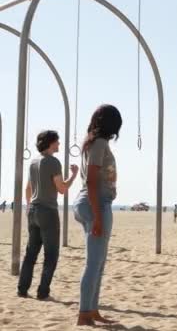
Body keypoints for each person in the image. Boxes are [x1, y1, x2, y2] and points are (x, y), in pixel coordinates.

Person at [73, 105, 122, 326]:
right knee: (94, 263)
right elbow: (92, 180)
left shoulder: (92, 142)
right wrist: (98, 216)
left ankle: (92, 310)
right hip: (96, 203)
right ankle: (84, 314)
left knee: (98, 261)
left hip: (94, 202)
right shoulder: (99, 143)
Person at [17, 130, 78, 300]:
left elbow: (28, 189)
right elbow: (62, 189)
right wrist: (73, 175)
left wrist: (29, 206)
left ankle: (22, 289)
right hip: (48, 212)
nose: (59, 144)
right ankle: (43, 292)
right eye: (57, 142)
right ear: (51, 143)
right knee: (51, 255)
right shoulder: (53, 162)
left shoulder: (34, 162)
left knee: (31, 253)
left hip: (33, 210)